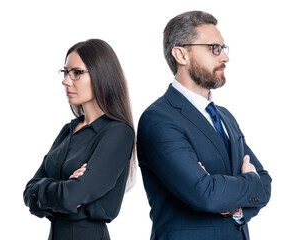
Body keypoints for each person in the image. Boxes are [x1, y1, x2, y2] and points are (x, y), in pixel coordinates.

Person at [137, 11, 272, 240]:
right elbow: (205, 194)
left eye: (223, 48)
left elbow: (265, 184)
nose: (224, 57)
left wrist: (238, 209)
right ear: (181, 54)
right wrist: (249, 181)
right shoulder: (158, 119)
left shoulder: (225, 117)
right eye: (213, 49)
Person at [23, 39, 135, 240]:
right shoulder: (69, 130)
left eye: (76, 73)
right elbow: (28, 192)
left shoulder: (118, 133)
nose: (66, 81)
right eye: (65, 72)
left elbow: (71, 197)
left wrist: (49, 193)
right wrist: (61, 189)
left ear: (102, 74)